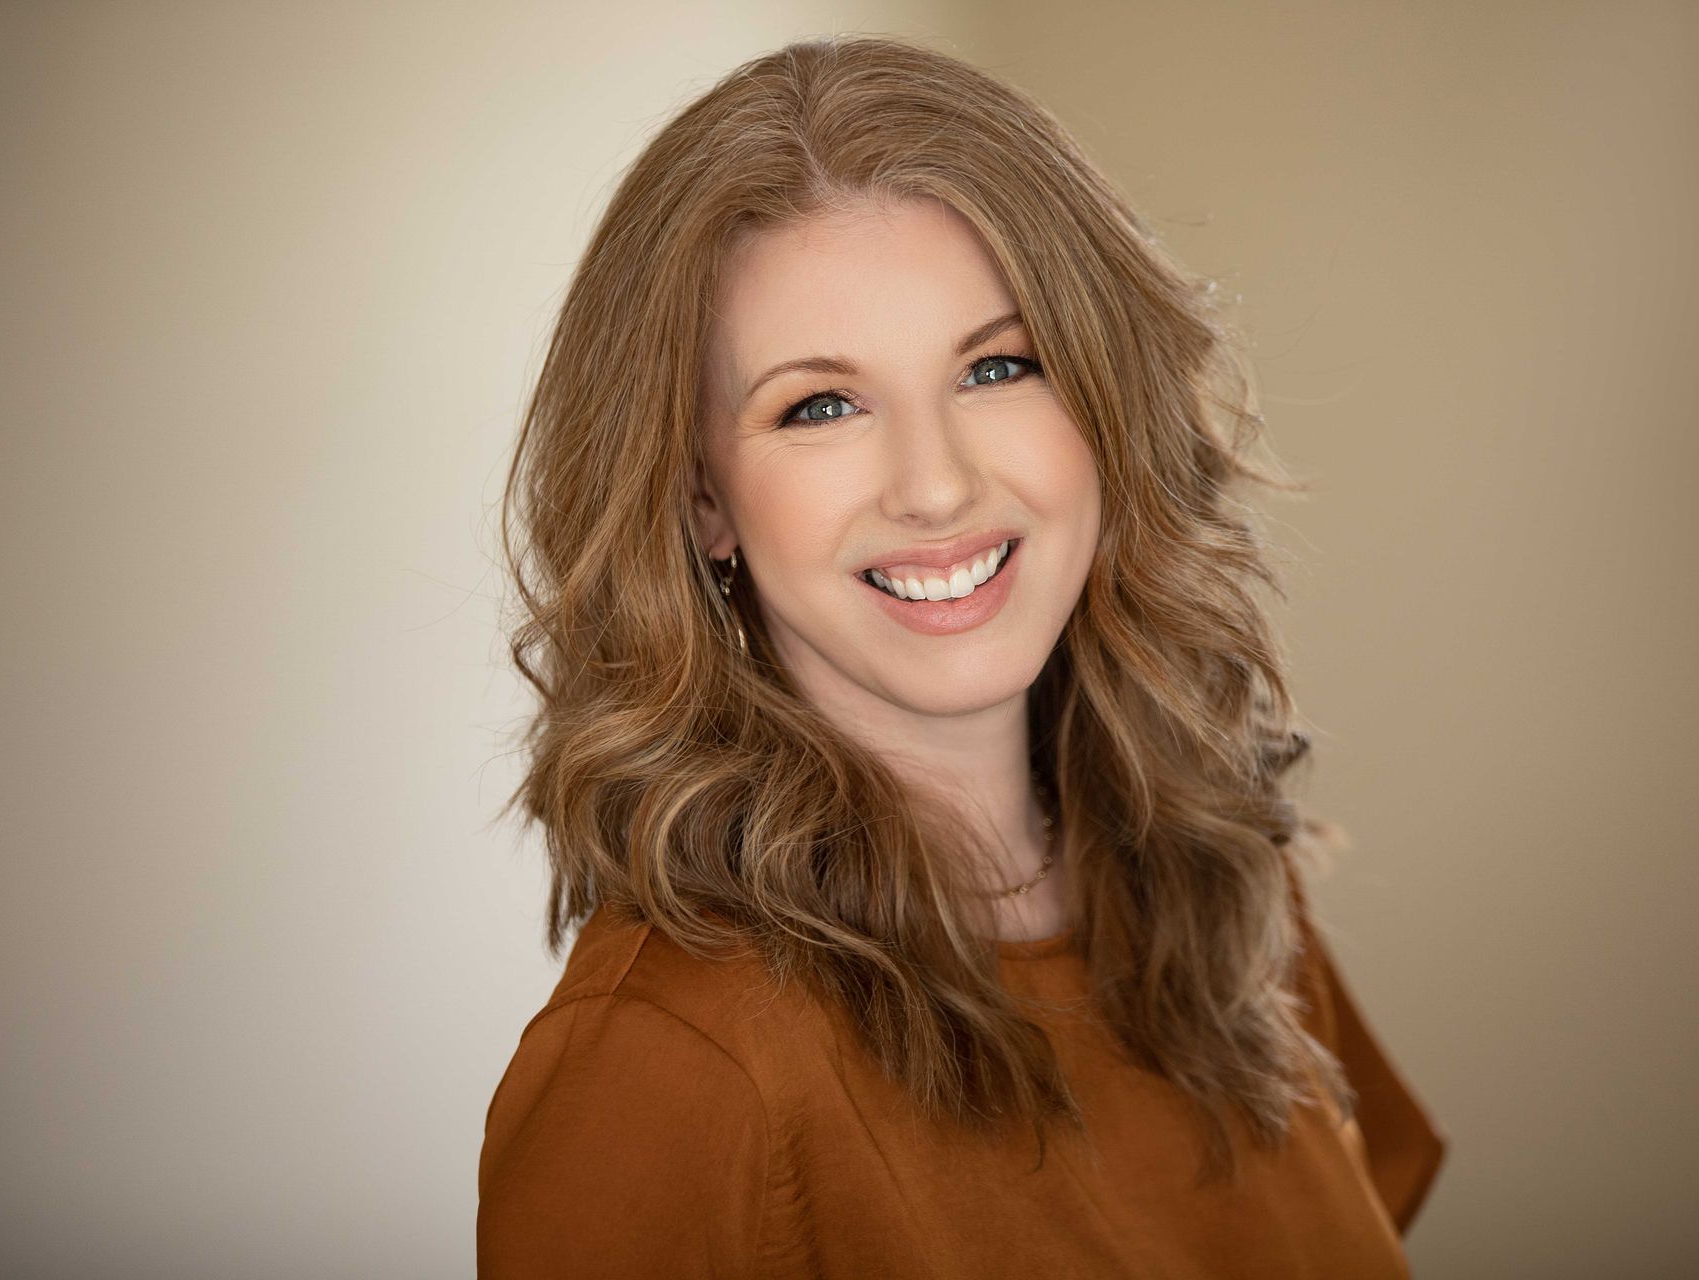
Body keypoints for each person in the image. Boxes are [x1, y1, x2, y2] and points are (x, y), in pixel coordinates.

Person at [477, 33, 1445, 1278]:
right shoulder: (665, 1072)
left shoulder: (1215, 884)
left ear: (1103, 404)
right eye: (819, 405)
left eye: (999, 365)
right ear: (702, 499)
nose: (935, 485)